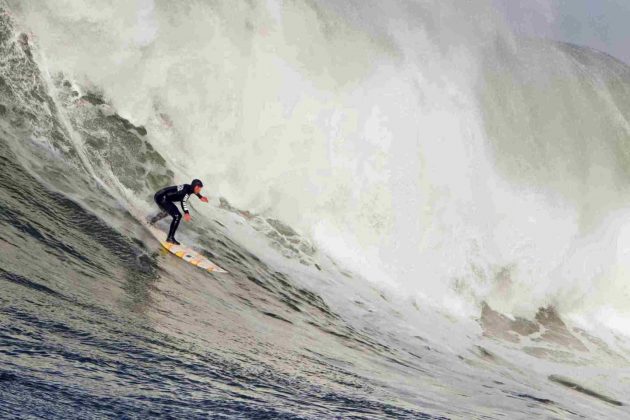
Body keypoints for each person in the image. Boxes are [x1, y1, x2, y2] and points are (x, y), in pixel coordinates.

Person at [149, 179, 208, 244]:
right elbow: (183, 202)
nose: (200, 190)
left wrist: (200, 197)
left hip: (159, 195)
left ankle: (152, 221)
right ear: (196, 187)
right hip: (162, 198)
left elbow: (194, 192)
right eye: (199, 189)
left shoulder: (188, 186)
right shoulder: (186, 193)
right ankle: (170, 238)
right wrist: (186, 213)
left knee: (167, 212)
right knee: (177, 216)